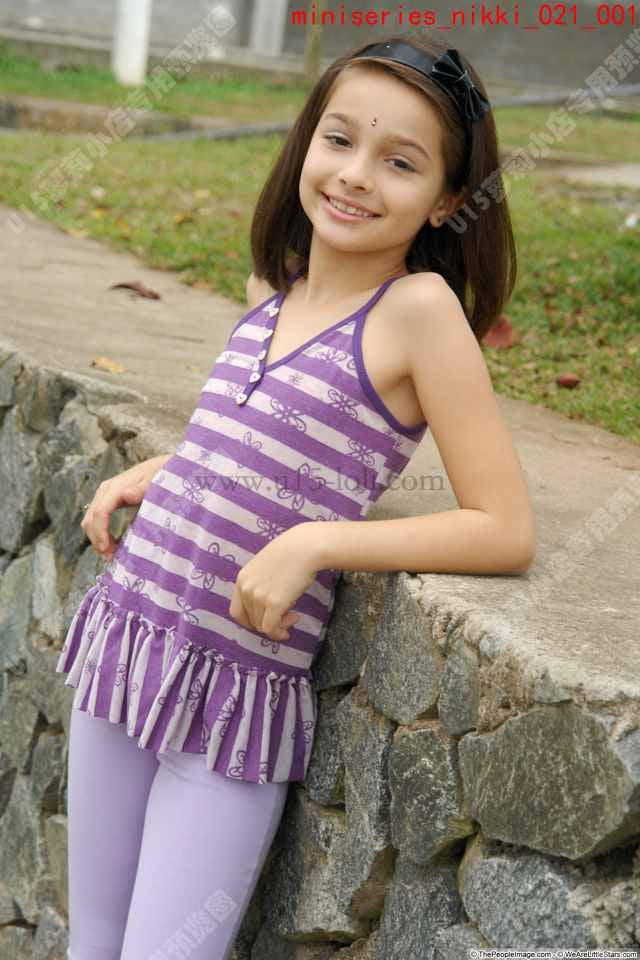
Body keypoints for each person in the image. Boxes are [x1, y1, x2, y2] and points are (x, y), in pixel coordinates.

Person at [56, 32, 536, 960]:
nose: (356, 175)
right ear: (305, 142)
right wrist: (162, 471)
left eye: (400, 161)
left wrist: (315, 543)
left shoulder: (418, 314)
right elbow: (266, 443)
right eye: (339, 139)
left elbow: (504, 528)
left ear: (447, 199)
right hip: (128, 642)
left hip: (232, 704)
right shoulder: (272, 295)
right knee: (93, 942)